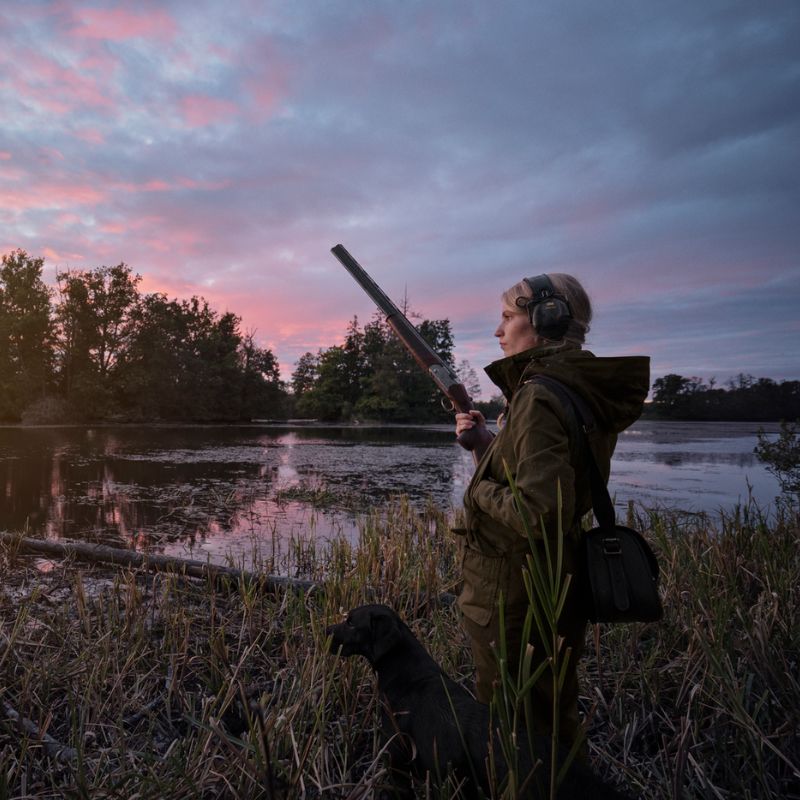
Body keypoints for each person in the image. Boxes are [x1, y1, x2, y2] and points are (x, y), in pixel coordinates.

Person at [454, 273, 649, 747]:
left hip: (513, 587)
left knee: (512, 721)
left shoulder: (538, 394)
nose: (498, 332)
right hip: (553, 573)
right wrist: (486, 445)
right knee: (548, 711)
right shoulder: (576, 385)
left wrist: (477, 492)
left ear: (546, 319)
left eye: (507, 317)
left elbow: (538, 512)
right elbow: (555, 478)